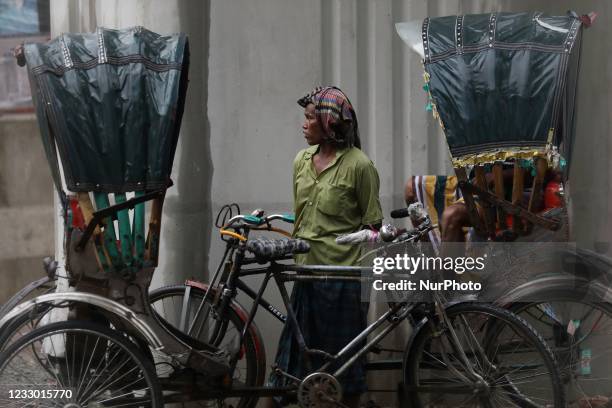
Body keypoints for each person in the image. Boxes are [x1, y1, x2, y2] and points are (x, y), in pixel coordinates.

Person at [267, 86, 383, 407]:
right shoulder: (300, 161)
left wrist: (365, 285)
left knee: (344, 368)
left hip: (342, 278)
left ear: (329, 124)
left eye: (309, 119)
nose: (303, 125)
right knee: (291, 364)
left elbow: (372, 227)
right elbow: (302, 217)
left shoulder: (359, 166)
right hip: (306, 274)